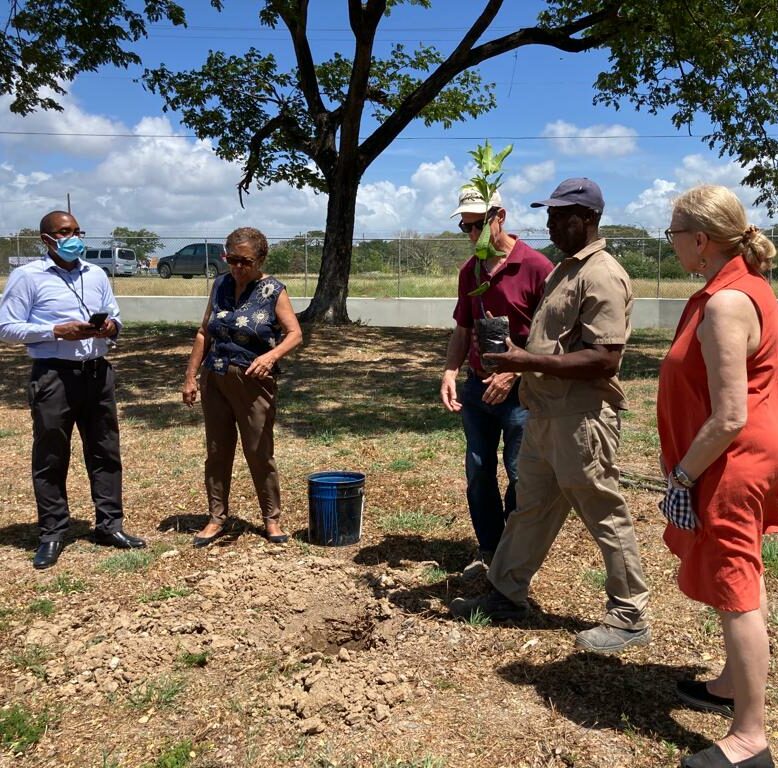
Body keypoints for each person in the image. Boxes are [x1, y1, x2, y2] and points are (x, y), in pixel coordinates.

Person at [450, 178, 651, 654]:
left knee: (604, 512)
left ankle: (629, 614)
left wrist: (526, 363)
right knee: (531, 508)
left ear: (587, 218)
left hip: (580, 418)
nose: (550, 223)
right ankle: (506, 592)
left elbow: (605, 360)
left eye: (561, 216)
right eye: (550, 214)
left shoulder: (600, 274)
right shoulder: (566, 270)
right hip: (544, 413)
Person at [657, 186, 777, 768]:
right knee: (734, 573)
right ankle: (732, 682)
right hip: (741, 457)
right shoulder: (743, 287)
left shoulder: (728, 303)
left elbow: (729, 413)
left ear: (700, 239)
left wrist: (684, 472)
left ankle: (750, 738)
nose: (672, 241)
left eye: (673, 232)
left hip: (733, 463)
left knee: (736, 589)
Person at [0, 210, 146, 570]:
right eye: (65, 232)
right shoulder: (27, 277)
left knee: (105, 452)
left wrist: (110, 327)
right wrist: (54, 331)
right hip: (53, 376)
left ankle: (109, 525)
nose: (73, 237)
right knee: (51, 455)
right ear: (46, 239)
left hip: (97, 373)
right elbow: (6, 327)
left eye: (77, 231)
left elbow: (115, 315)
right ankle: (52, 532)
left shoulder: (95, 273)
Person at [440, 186, 553, 578]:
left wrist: (515, 372)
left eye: (477, 226)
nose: (472, 237)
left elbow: (552, 336)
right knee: (477, 469)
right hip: (477, 388)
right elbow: (462, 327)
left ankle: (516, 552)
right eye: (465, 228)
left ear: (498, 217)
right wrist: (451, 371)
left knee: (521, 472)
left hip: (522, 393)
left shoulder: (537, 268)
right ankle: (489, 548)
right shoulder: (469, 272)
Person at [182, 226, 302, 548]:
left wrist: (272, 355)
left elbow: (294, 334)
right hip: (215, 377)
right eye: (231, 259)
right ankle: (216, 517)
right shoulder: (220, 284)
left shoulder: (273, 290)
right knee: (217, 451)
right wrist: (191, 376)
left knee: (258, 452)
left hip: (253, 383)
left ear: (260, 259)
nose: (237, 267)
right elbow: (204, 333)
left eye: (245, 261)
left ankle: (271, 519)